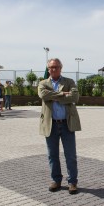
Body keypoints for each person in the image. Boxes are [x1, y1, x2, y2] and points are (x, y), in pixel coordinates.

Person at [38, 58, 81, 195]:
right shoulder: (43, 83)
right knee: (52, 155)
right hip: (51, 125)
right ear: (48, 69)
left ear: (61, 68)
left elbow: (74, 97)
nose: (53, 69)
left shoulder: (69, 82)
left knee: (71, 155)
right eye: (51, 67)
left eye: (56, 67)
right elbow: (43, 95)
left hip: (67, 123)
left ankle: (72, 182)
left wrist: (53, 96)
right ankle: (56, 180)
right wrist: (63, 94)